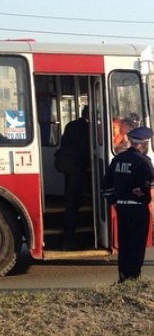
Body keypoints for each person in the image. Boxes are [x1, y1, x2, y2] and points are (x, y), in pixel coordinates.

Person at [101, 126, 154, 283]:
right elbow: (153, 175)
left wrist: (114, 201)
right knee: (137, 245)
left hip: (122, 208)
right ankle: (134, 278)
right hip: (138, 208)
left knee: (124, 244)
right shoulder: (142, 161)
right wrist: (144, 188)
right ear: (143, 144)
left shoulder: (117, 159)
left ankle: (123, 277)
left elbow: (106, 185)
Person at [59, 105, 91, 250]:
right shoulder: (87, 129)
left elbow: (64, 144)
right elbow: (87, 149)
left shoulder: (71, 125)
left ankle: (68, 237)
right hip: (78, 168)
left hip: (68, 168)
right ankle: (70, 239)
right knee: (74, 203)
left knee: (70, 202)